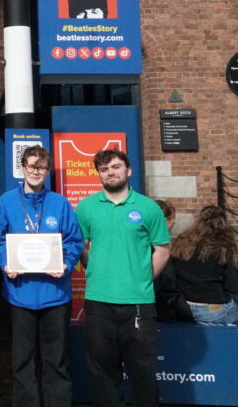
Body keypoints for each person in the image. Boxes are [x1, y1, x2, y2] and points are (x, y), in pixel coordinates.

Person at [75, 149, 171, 407]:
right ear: (99, 175)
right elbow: (80, 247)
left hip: (138, 303)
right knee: (102, 372)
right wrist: (96, 269)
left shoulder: (147, 207)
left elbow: (162, 249)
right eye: (104, 169)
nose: (110, 173)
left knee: (143, 372)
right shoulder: (86, 207)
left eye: (115, 167)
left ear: (128, 171)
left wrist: (142, 278)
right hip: (98, 302)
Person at [0, 146, 83, 407]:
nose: (36, 171)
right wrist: (6, 263)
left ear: (48, 171)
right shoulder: (7, 201)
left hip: (55, 294)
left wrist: (66, 265)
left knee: (56, 360)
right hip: (19, 294)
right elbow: (0, 241)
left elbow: (74, 241)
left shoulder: (60, 202)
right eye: (31, 166)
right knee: (22, 361)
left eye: (41, 167)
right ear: (23, 167)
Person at [170, 205, 238, 325]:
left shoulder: (182, 242)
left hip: (184, 307)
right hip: (215, 311)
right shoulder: (225, 247)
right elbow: (233, 285)